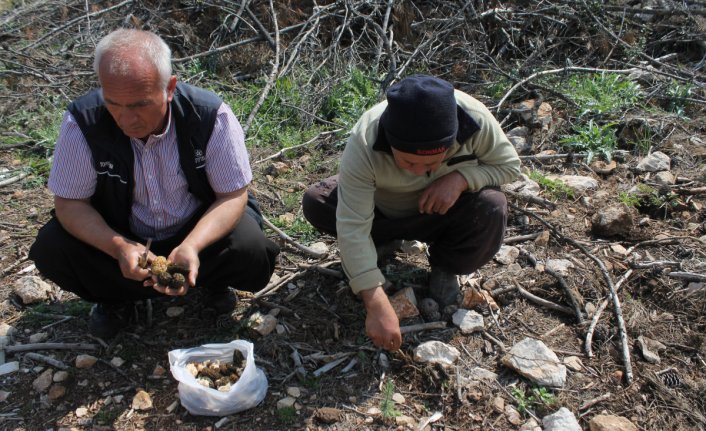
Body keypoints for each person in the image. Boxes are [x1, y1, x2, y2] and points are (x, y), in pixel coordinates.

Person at [29, 29, 279, 338]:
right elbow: (70, 204)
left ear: (170, 88)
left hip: (194, 229)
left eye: (139, 105)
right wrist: (117, 246)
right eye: (114, 104)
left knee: (249, 246)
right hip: (121, 234)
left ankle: (209, 280)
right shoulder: (83, 122)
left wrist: (193, 245)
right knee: (53, 248)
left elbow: (232, 195)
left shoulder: (209, 115)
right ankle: (114, 298)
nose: (125, 119)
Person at [302, 75, 520, 351]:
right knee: (317, 201)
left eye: (430, 162)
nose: (419, 172)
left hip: (441, 214)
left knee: (492, 206)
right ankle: (381, 244)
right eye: (407, 161)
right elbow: (352, 225)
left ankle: (446, 267)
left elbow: (510, 166)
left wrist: (461, 178)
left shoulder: (473, 119)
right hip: (382, 211)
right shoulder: (366, 138)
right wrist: (374, 298)